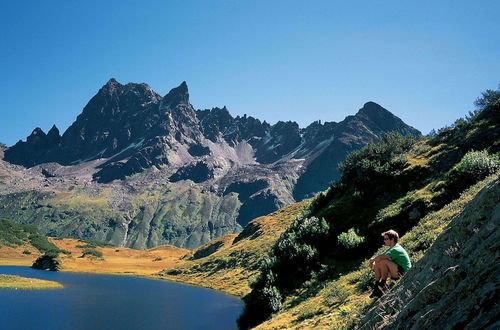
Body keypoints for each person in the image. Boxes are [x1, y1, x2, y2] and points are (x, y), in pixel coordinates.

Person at [368, 229, 411, 298]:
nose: (384, 241)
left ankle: (382, 285)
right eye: (384, 239)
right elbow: (376, 262)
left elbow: (380, 258)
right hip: (396, 271)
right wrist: (373, 264)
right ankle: (377, 287)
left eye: (386, 239)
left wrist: (372, 260)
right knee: (379, 262)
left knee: (383, 261)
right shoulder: (389, 249)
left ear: (392, 239)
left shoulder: (396, 249)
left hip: (404, 272)